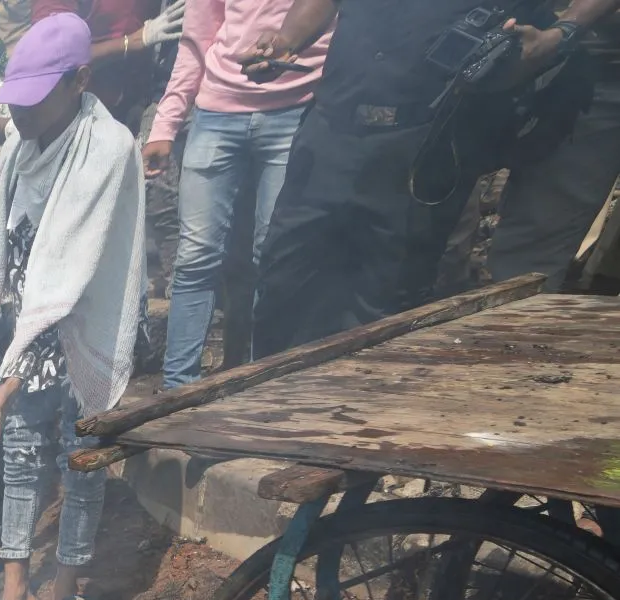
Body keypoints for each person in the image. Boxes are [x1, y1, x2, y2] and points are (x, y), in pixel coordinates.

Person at [0, 14, 144, 600]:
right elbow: (19, 256)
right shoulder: (23, 153)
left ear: (79, 79)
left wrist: (14, 373)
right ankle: (13, 588)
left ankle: (66, 589)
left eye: (33, 100)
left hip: (80, 337)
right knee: (21, 464)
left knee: (79, 469)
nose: (19, 115)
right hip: (29, 337)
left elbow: (75, 280)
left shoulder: (108, 153)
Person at [250, 0, 617, 355]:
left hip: (430, 135)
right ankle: (262, 409)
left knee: (382, 304)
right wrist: (286, 41)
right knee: (284, 284)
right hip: (331, 125)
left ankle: (352, 408)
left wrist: (561, 32)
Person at [142, 0, 325, 384]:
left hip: (297, 106)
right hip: (217, 112)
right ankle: (178, 387)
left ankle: (263, 382)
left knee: (270, 256)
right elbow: (196, 41)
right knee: (195, 257)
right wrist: (165, 124)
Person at [488, 18, 620, 287]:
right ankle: (515, 323)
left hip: (594, 65)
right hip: (595, 69)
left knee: (534, 248)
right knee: (531, 258)